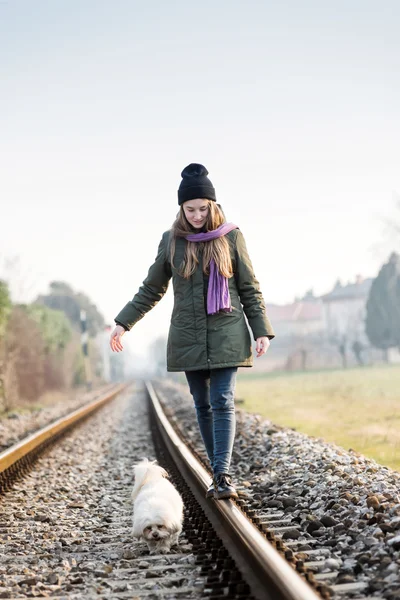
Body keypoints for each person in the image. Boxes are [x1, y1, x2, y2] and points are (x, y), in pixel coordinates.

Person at [110, 163, 275, 500]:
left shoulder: (231, 236)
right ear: (181, 209)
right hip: (187, 335)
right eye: (190, 209)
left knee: (222, 400)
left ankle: (221, 473)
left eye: (203, 208)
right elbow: (151, 288)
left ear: (212, 206)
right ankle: (219, 470)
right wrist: (123, 322)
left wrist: (261, 330)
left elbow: (249, 287)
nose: (197, 215)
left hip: (227, 330)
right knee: (202, 403)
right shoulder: (172, 241)